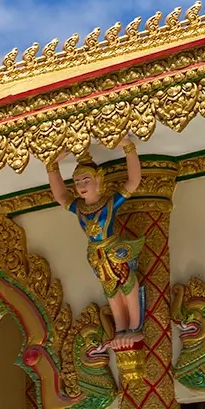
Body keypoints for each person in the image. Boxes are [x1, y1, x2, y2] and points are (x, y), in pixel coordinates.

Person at [47, 136, 146, 349]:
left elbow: (133, 181)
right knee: (110, 290)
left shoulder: (108, 204)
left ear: (99, 180)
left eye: (86, 180)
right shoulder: (80, 208)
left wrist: (128, 147)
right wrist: (52, 166)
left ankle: (135, 326)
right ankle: (120, 328)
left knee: (127, 284)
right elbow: (61, 196)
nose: (81, 186)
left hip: (113, 249)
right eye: (78, 182)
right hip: (96, 256)